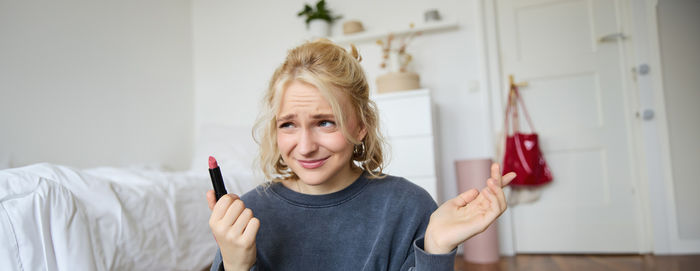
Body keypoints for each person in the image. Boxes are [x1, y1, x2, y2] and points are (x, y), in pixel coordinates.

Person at [206, 39, 516, 271]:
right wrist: (235, 266)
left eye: (325, 122)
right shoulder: (246, 215)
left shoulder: (409, 206)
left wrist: (435, 248)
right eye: (288, 124)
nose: (304, 146)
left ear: (363, 125)